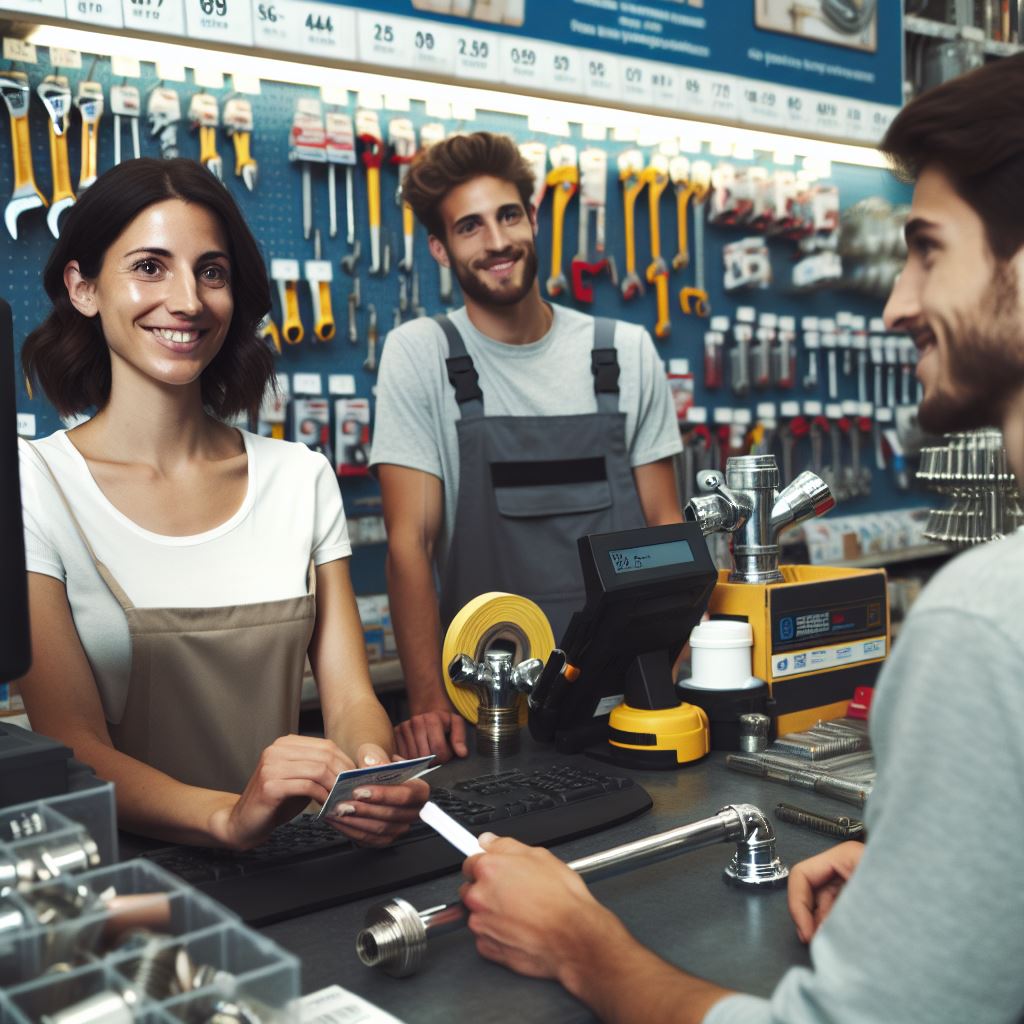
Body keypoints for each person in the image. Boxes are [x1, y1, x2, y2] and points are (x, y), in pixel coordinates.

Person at [458, 54, 1024, 1024]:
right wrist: (930, 876)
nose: (893, 304)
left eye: (927, 249)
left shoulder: (982, 624)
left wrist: (585, 946)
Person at [17, 158, 427, 851]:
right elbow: (72, 744)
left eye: (211, 272)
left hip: (294, 861)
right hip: (125, 878)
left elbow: (353, 698)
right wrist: (225, 816)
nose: (187, 300)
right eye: (150, 266)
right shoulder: (34, 484)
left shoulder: (299, 479)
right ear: (82, 287)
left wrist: (369, 773)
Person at [371, 132, 683, 762]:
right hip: (486, 710)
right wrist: (430, 702)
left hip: (623, 705)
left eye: (508, 215)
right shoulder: (423, 354)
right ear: (439, 248)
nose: (496, 242)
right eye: (469, 227)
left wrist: (664, 676)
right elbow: (411, 544)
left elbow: (665, 527)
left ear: (533, 220)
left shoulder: (623, 352)